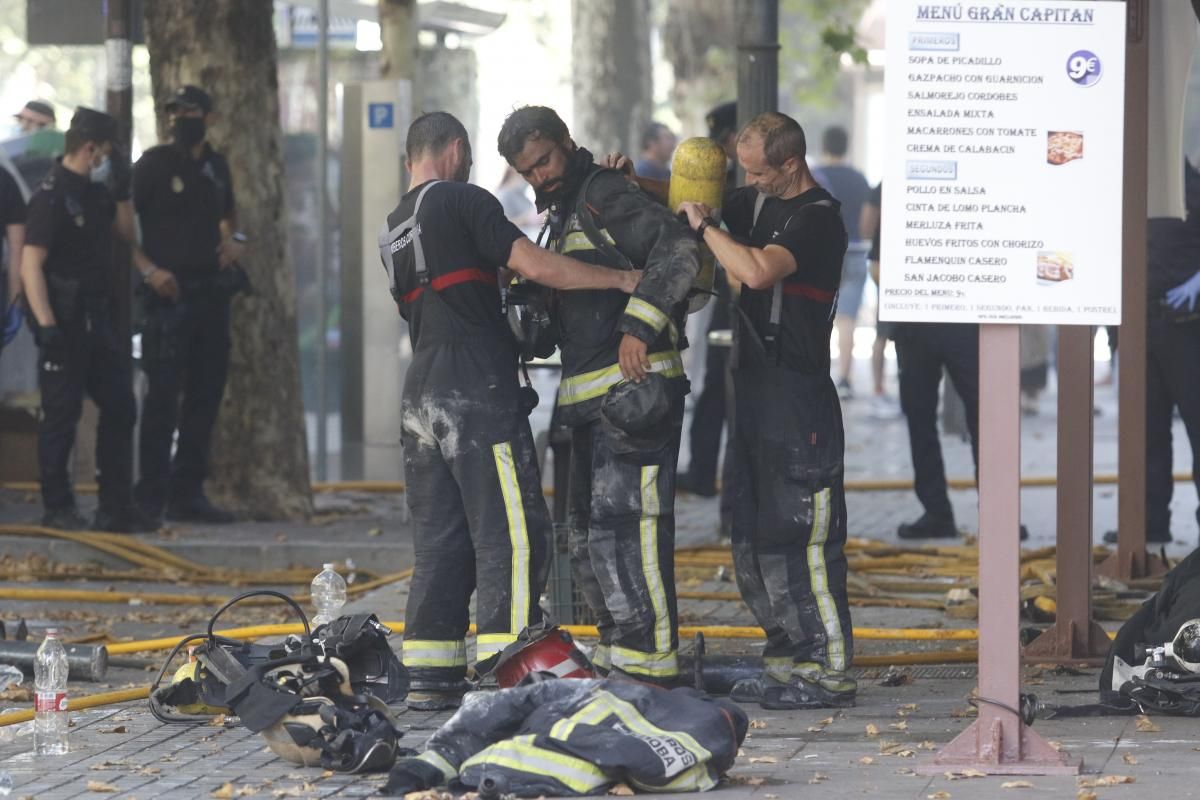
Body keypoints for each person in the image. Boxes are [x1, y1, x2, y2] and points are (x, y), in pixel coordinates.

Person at [385, 112, 642, 710]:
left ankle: (430, 677)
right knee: (514, 534)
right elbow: (534, 264)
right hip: (475, 388)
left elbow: (443, 299)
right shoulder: (463, 198)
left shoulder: (394, 225)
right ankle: (512, 676)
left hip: (420, 391)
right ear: (455, 150)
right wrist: (619, 278)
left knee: (441, 541)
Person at [497, 105, 700, 684]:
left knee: (629, 529)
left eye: (545, 161)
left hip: (633, 392)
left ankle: (652, 665)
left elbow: (678, 250)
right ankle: (622, 656)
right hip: (590, 400)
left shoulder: (603, 192)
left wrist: (639, 326)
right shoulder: (562, 212)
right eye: (528, 171)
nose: (539, 177)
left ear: (568, 141)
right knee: (590, 539)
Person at [677, 111, 855, 709]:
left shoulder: (817, 220)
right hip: (752, 390)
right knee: (752, 535)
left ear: (791, 164)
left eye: (759, 172)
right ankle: (787, 658)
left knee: (805, 538)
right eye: (744, 172)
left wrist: (703, 228)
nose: (750, 183)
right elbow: (694, 203)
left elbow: (754, 272)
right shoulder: (755, 202)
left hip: (799, 394)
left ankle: (829, 669)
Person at [20, 108, 157, 533]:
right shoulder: (52, 194)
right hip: (63, 320)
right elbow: (31, 266)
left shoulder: (96, 193)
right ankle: (57, 507)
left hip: (98, 320)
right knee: (61, 414)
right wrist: (46, 325)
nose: (110, 158)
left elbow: (124, 233)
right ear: (89, 148)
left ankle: (115, 506)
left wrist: (121, 190)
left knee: (119, 405)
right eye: (108, 151)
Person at [131, 85, 244, 524]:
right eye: (173, 111)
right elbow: (123, 227)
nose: (180, 118)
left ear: (208, 117)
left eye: (189, 111)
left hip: (210, 296)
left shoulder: (216, 166)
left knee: (205, 397)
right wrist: (148, 271)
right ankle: (150, 498)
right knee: (160, 399)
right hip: (165, 298)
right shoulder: (152, 165)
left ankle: (187, 494)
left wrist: (236, 241)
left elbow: (232, 217)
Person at [812, 126, 870, 400]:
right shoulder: (859, 179)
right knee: (847, 319)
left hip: (825, 252)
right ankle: (845, 379)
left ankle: (817, 373)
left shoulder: (817, 177)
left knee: (817, 316)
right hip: (857, 251)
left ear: (824, 146)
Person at [859, 182, 901, 420]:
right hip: (893, 263)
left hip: (882, 262)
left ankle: (878, 388)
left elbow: (865, 227)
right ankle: (884, 389)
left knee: (882, 331)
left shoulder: (883, 186)